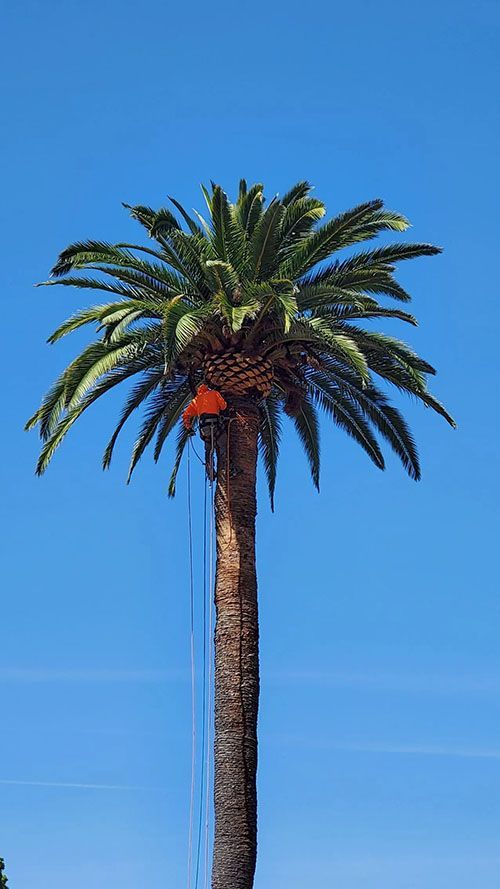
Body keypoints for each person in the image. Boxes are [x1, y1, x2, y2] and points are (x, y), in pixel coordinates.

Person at [183, 383, 227, 480]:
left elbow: (186, 415)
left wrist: (189, 427)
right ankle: (229, 468)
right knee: (224, 446)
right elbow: (223, 406)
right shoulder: (214, 393)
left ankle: (210, 472)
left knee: (209, 450)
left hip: (204, 430)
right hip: (216, 426)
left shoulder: (196, 400)